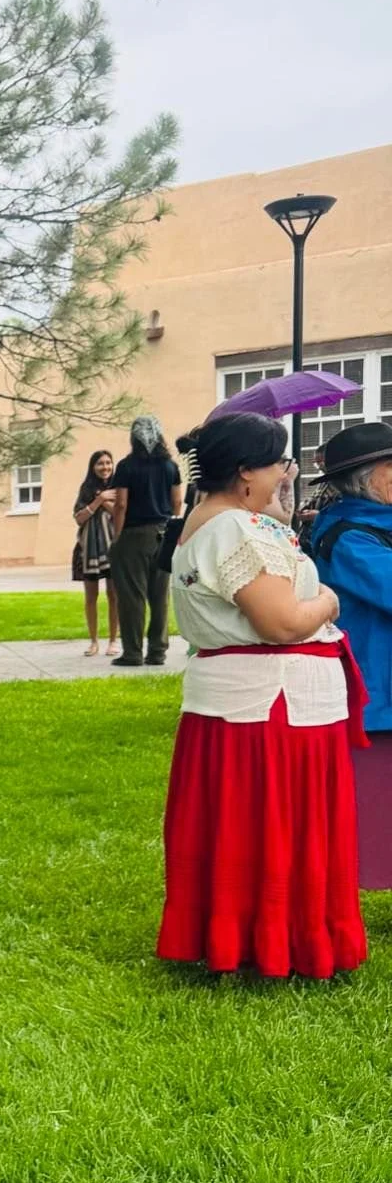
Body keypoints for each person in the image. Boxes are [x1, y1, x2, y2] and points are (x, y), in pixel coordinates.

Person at [156, 413, 365, 979]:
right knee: (274, 825)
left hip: (255, 702)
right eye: (279, 463)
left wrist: (268, 503)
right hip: (273, 706)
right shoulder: (234, 530)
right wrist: (327, 601)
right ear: (245, 471)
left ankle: (244, 934)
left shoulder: (221, 519)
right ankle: (277, 939)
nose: (286, 473)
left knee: (245, 827)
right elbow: (283, 622)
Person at [304, 421, 392, 891]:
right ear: (366, 478)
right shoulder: (347, 534)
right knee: (370, 816)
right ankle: (334, 900)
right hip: (377, 696)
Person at [108, 414, 183, 667]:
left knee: (132, 596)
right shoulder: (170, 466)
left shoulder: (127, 466)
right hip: (162, 533)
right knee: (160, 597)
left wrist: (117, 537)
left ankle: (132, 652)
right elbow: (177, 503)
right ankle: (157, 651)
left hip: (133, 535)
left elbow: (120, 504)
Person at [72, 450, 119, 656]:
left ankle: (113, 641)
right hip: (88, 550)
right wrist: (98, 500)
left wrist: (105, 500)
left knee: (114, 595)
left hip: (113, 548)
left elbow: (120, 512)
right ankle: (93, 641)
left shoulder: (119, 487)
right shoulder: (86, 489)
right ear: (93, 467)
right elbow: (79, 518)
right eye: (100, 463)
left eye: (109, 463)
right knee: (91, 596)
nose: (105, 467)